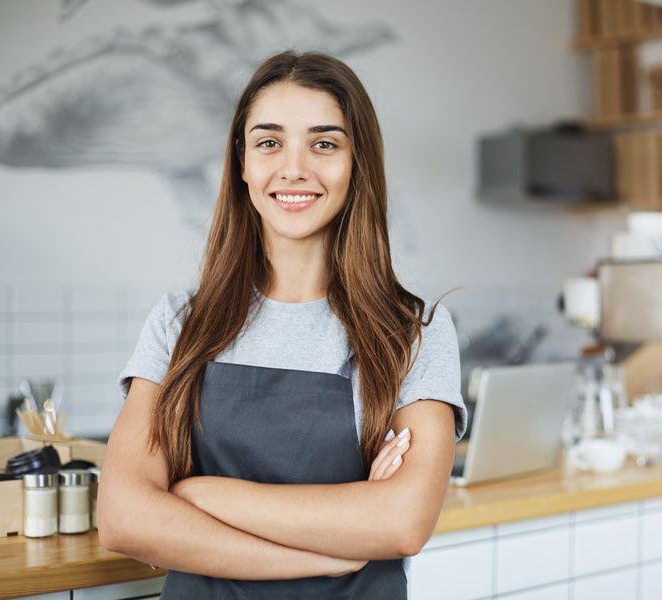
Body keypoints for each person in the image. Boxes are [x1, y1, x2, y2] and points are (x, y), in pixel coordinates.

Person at [97, 50, 467, 599]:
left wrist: (200, 494)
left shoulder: (412, 331)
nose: (294, 168)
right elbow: (124, 518)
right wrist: (334, 555)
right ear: (242, 162)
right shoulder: (180, 322)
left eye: (324, 143)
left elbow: (402, 523)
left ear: (355, 163)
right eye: (269, 142)